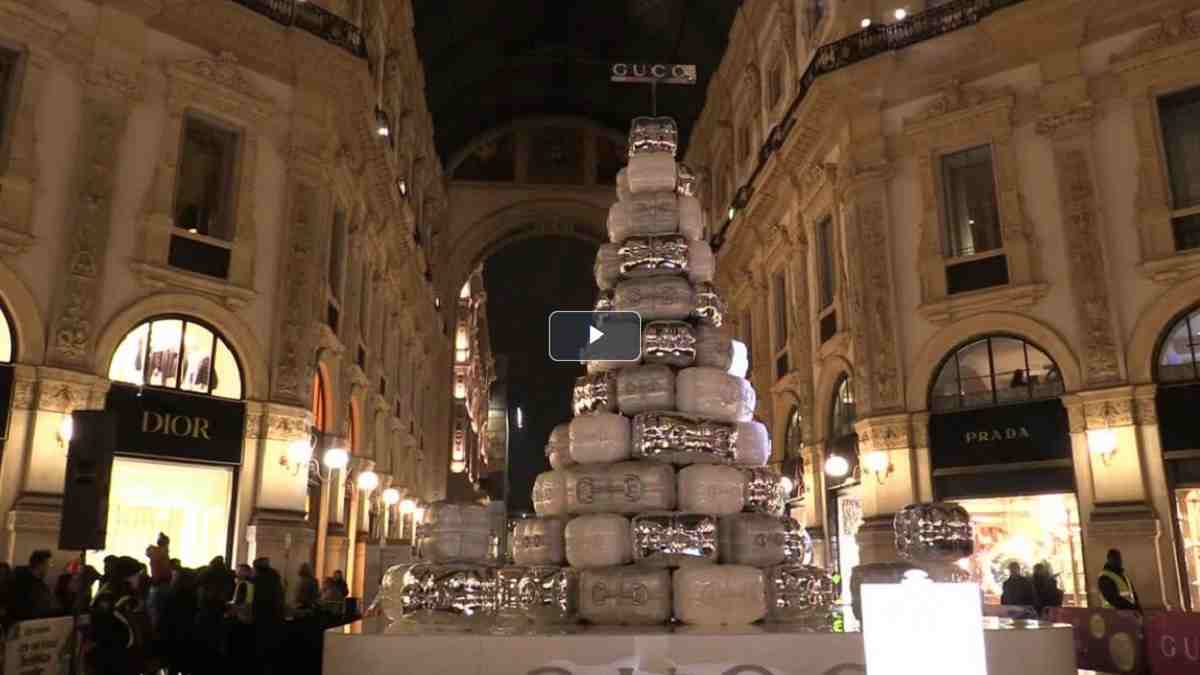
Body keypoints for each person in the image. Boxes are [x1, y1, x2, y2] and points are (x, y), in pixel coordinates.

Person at [87, 556, 150, 675]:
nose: (139, 579)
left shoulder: (105, 592)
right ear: (129, 576)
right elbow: (129, 632)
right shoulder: (124, 600)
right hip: (120, 660)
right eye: (137, 575)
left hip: (106, 658)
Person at [9, 549, 58, 622]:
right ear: (39, 565)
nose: (51, 567)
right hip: (21, 625)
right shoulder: (19, 581)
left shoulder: (42, 585)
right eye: (49, 564)